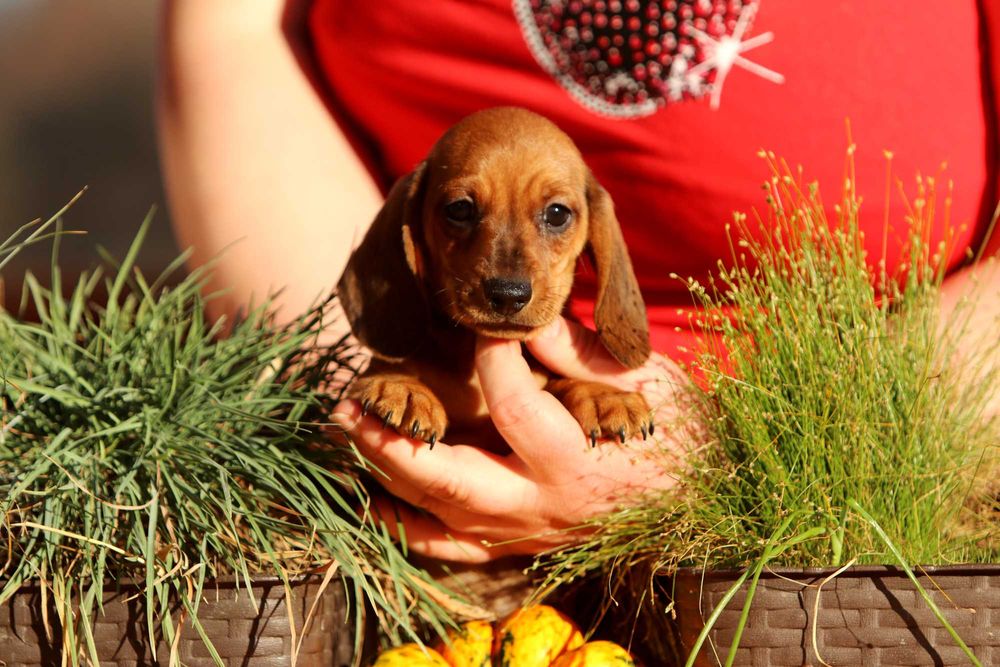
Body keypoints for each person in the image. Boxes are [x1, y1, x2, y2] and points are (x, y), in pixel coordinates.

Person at [157, 0, 999, 564]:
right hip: (422, 455)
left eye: (557, 221)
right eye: (463, 213)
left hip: (874, 484)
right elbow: (233, 29)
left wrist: (739, 448)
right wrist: (369, 401)